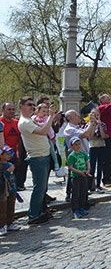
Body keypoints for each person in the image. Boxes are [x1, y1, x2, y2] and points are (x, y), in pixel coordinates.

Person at [18, 96, 61, 225]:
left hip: (43, 155)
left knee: (42, 188)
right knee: (39, 188)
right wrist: (51, 116)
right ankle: (33, 215)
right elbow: (44, 131)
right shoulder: (24, 122)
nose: (32, 107)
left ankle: (39, 212)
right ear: (22, 106)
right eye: (29, 104)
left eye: (33, 104)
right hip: (38, 157)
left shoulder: (29, 120)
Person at [1, 102, 25, 191]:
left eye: (13, 109)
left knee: (12, 187)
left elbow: (19, 140)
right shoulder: (0, 123)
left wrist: (19, 154)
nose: (11, 111)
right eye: (9, 109)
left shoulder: (17, 123)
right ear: (2, 110)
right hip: (2, 158)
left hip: (14, 157)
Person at [67, 137, 91, 219]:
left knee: (83, 192)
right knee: (76, 193)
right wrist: (79, 172)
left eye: (79, 144)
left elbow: (87, 162)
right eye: (75, 145)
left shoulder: (83, 153)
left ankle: (81, 207)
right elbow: (70, 167)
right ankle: (75, 210)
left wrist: (88, 170)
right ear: (72, 146)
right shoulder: (71, 156)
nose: (78, 146)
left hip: (83, 176)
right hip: (76, 176)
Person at [0, 146, 21, 235]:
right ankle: (2, 225)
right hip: (3, 190)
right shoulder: (1, 166)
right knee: (2, 209)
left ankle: (10, 223)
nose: (9, 156)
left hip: (12, 189)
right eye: (7, 154)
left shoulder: (10, 164)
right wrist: (8, 171)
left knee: (11, 207)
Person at [88, 108, 107, 193]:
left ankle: (98, 185)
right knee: (92, 167)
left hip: (101, 146)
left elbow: (103, 136)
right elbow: (90, 136)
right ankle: (90, 186)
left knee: (100, 167)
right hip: (92, 146)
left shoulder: (103, 124)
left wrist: (99, 125)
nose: (96, 117)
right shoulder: (88, 125)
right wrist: (93, 125)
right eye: (94, 115)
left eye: (97, 115)